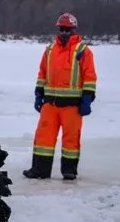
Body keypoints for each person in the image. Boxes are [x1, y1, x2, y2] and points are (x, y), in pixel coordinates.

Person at [24, 12, 97, 181]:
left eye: (67, 30)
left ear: (73, 30)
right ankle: (40, 170)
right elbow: (42, 73)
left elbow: (90, 77)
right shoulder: (49, 50)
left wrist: (87, 99)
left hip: (72, 106)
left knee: (71, 139)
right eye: (61, 29)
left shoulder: (83, 51)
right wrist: (38, 94)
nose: (64, 32)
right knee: (43, 138)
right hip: (50, 104)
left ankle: (69, 171)